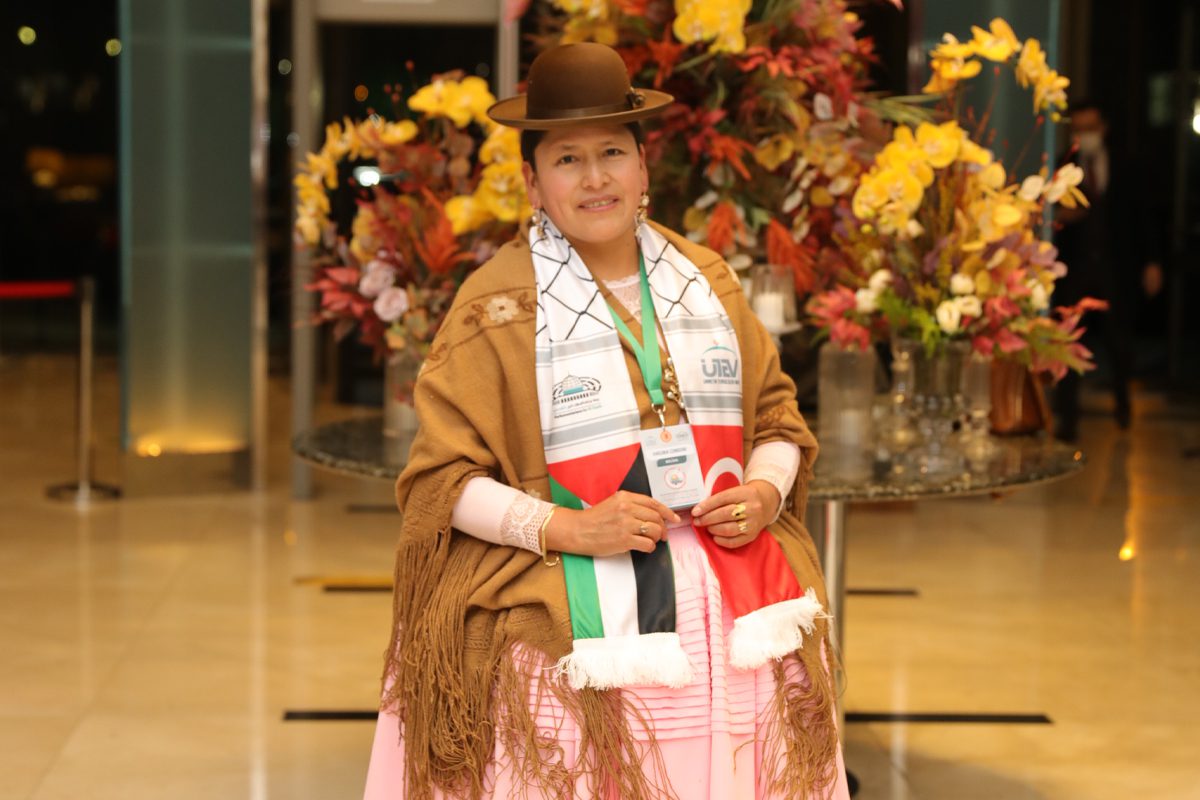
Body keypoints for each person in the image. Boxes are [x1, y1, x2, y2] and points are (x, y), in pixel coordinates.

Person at [363, 42, 848, 800]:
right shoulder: (496, 307)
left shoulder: (705, 279)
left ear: (644, 169)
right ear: (531, 181)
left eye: (613, 153)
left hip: (729, 609)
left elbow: (778, 422)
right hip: (569, 611)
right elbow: (440, 484)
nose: (595, 179)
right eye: (567, 159)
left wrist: (764, 494)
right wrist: (570, 529)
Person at [1053, 99, 1164, 441]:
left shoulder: (1126, 164)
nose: (1084, 135)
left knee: (1119, 340)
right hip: (1076, 266)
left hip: (1117, 265)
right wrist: (1062, 217)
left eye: (1089, 128)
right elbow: (1053, 215)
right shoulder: (1065, 164)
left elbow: (1144, 216)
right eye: (1078, 129)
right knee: (1068, 342)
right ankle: (1067, 418)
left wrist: (1152, 261)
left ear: (1102, 128)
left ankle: (1122, 404)